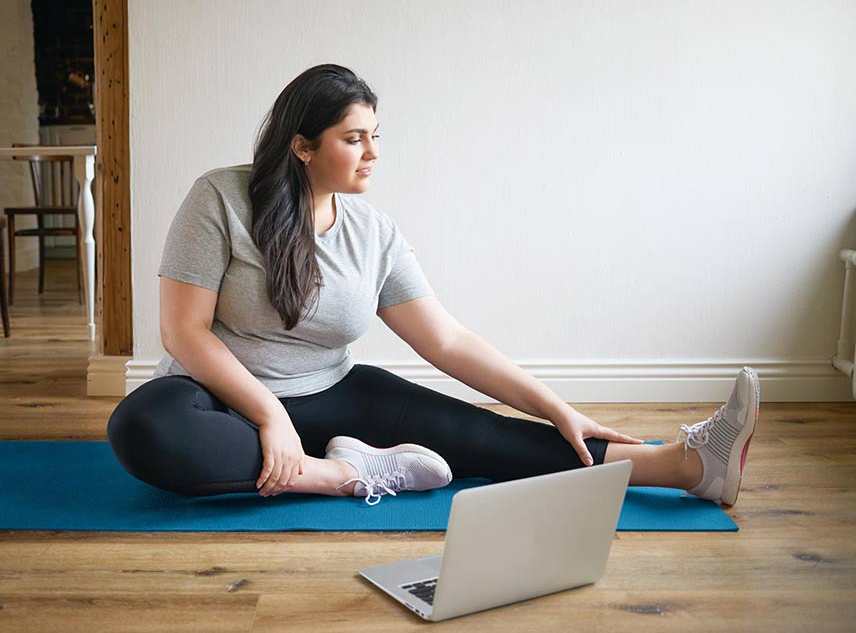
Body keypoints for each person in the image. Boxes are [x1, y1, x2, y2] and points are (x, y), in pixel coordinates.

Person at [107, 64, 760, 507]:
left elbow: (447, 341)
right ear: (303, 146)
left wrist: (553, 404)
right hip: (215, 401)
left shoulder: (374, 232)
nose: (373, 152)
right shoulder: (219, 197)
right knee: (143, 425)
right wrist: (270, 414)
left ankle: (685, 465)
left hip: (335, 393)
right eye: (353, 138)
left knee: (486, 436)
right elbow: (182, 331)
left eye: (375, 136)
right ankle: (344, 473)